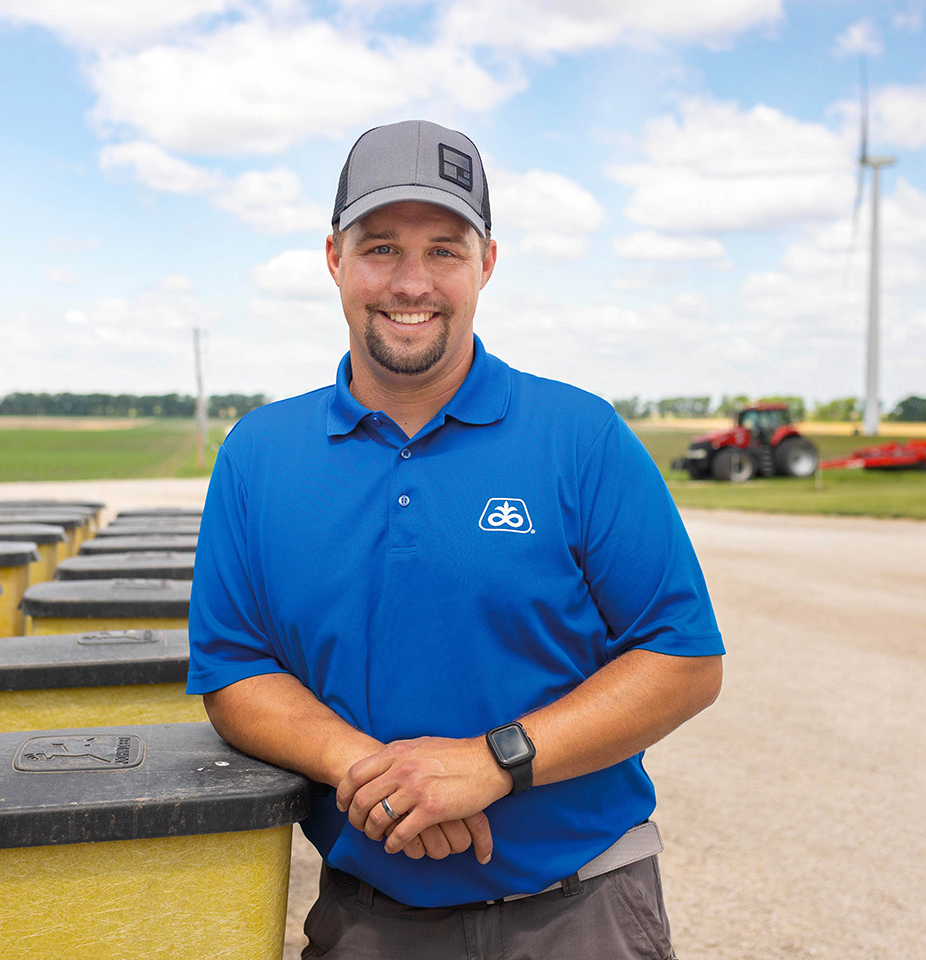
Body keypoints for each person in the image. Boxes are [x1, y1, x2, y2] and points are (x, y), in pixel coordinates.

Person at [188, 119, 724, 959]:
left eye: (444, 249)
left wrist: (493, 761)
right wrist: (383, 777)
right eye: (380, 248)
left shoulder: (579, 436)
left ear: (487, 264)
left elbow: (684, 658)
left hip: (579, 910)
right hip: (369, 916)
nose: (412, 282)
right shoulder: (258, 455)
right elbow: (234, 669)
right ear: (334, 258)